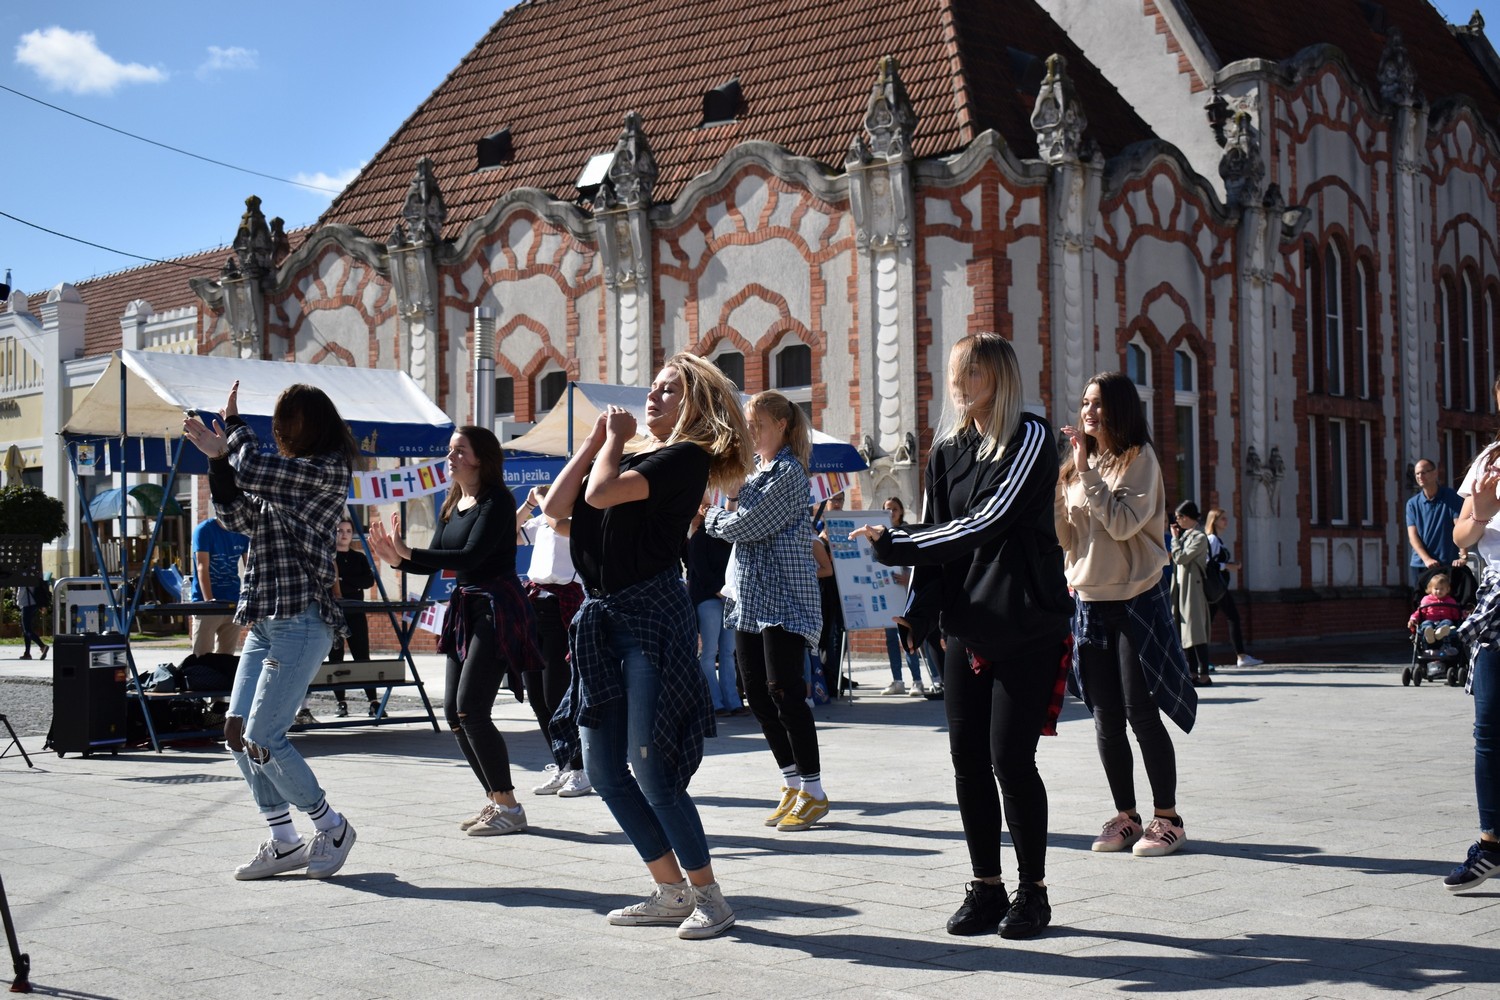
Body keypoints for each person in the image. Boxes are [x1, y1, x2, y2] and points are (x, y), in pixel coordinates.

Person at [856, 332, 1072, 941]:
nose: (959, 382)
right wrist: (919, 612)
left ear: (998, 378)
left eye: (972, 372)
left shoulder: (1032, 437)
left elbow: (985, 522)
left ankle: (1033, 892)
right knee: (967, 762)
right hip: (968, 626)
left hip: (1027, 622)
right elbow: (940, 534)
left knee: (1011, 758)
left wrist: (894, 543)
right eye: (956, 371)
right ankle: (985, 886)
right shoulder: (946, 448)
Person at [542, 353, 751, 939]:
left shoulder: (685, 458)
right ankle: (669, 890)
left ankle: (710, 896)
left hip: (649, 619)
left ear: (696, 406)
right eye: (652, 389)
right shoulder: (632, 457)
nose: (651, 398)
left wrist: (611, 447)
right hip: (603, 621)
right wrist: (592, 441)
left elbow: (602, 494)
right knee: (604, 769)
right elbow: (557, 510)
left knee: (651, 766)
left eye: (667, 391)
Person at [182, 380, 360, 881]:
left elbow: (256, 468)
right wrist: (218, 461)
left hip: (301, 623)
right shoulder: (284, 481)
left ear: (313, 423)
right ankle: (283, 840)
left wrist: (234, 433)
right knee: (238, 734)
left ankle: (333, 826)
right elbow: (235, 514)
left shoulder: (326, 471)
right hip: (263, 622)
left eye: (288, 419)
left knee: (265, 735)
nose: (279, 429)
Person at [368, 426, 544, 837]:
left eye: (458, 450)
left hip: (497, 607)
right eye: (449, 450)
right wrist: (395, 559)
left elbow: (471, 555)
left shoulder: (497, 500)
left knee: (471, 709)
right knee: (454, 714)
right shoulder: (452, 503)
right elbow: (437, 559)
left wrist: (406, 551)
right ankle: (495, 800)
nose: (450, 457)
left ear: (480, 457)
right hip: (466, 608)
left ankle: (510, 806)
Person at [1056, 370, 1197, 866]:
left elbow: (1119, 523)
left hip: (1136, 597)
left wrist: (1085, 472)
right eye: (1085, 403)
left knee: (1141, 712)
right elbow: (1069, 536)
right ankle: (1126, 815)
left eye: (1098, 404)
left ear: (1119, 409)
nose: (1088, 412)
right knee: (1105, 718)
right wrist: (1059, 492)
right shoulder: (1077, 465)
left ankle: (1168, 818)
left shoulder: (1141, 460)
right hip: (1090, 600)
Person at [703, 390, 828, 832]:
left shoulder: (790, 473)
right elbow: (736, 514)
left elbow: (745, 525)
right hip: (748, 598)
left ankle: (813, 790)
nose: (750, 431)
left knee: (784, 690)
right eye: (748, 423)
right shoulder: (756, 470)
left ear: (783, 426)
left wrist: (713, 518)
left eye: (756, 423)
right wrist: (725, 511)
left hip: (784, 597)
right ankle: (792, 782)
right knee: (755, 692)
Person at [1448, 380, 1500, 892]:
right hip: (1496, 605)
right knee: (1488, 728)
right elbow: (1461, 536)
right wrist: (1482, 509)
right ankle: (1491, 843)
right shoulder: (1489, 459)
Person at [515, 484, 592, 798]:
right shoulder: (542, 520)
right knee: (536, 695)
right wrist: (528, 502)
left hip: (564, 608)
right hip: (535, 604)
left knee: (556, 694)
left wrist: (545, 501)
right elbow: (510, 532)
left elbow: (558, 522)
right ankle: (562, 765)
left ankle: (580, 768)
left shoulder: (577, 519)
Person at [684, 505, 745, 717]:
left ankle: (733, 701)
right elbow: (700, 571)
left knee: (728, 652)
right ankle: (714, 701)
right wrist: (721, 591)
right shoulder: (699, 538)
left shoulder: (727, 539)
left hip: (725, 597)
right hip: (708, 598)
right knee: (710, 652)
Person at [879, 496, 941, 696]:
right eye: (887, 509)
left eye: (894, 508)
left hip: (908, 598)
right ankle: (898, 679)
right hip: (887, 596)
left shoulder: (907, 532)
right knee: (891, 640)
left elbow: (919, 563)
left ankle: (920, 680)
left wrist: (908, 577)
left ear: (901, 511)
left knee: (912, 639)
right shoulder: (881, 535)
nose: (891, 512)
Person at [329, 517, 379, 718]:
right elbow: (327, 581)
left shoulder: (358, 558)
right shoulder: (329, 557)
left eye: (348, 531)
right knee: (336, 656)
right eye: (340, 530)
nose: (344, 534)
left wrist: (343, 581)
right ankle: (341, 701)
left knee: (362, 655)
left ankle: (373, 701)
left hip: (356, 611)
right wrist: (347, 584)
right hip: (335, 612)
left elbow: (368, 580)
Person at [1202, 508, 1262, 668]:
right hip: (1217, 588)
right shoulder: (1213, 539)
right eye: (1222, 519)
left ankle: (1203, 659)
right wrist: (1228, 566)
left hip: (1218, 588)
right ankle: (1241, 656)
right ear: (1214, 521)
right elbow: (1208, 563)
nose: (1226, 521)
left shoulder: (1218, 540)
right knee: (1233, 617)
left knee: (1208, 622)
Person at [189, 516, 249, 656]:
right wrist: (209, 601)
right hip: (206, 603)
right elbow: (202, 566)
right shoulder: (204, 530)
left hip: (232, 601)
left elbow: (250, 568)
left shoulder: (243, 533)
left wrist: (248, 598)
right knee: (201, 657)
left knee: (226, 657)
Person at [1170, 500, 1214, 687]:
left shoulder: (1199, 537)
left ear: (1187, 517)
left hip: (1193, 589)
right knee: (1185, 631)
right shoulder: (1186, 535)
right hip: (1181, 588)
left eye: (1178, 517)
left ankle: (1204, 674)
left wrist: (1174, 539)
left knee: (1195, 632)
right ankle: (1192, 672)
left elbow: (1181, 557)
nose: (1177, 521)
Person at [1408, 458, 1464, 589]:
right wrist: (1427, 559)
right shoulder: (1412, 503)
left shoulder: (1451, 497)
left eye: (1424, 472)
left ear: (1435, 473)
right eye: (1417, 474)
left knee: (1450, 605)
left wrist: (1463, 555)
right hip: (1421, 564)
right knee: (1424, 606)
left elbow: (1460, 527)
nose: (1420, 476)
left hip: (1448, 562)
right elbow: (1413, 536)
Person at [1409, 570, 1463, 645]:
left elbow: (1456, 615)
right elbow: (1419, 612)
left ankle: (1440, 632)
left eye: (1442, 589)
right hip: (1430, 620)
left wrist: (1461, 615)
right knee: (1426, 623)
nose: (1439, 591)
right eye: (1436, 589)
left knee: (1448, 622)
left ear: (1447, 589)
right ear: (1431, 589)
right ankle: (1428, 632)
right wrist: (1413, 619)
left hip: (1444, 621)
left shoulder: (1450, 601)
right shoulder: (1426, 599)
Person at [15, 580, 46, 660]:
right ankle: (27, 653)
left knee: (27, 630)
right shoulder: (33, 578)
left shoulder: (23, 579)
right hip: (34, 604)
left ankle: (42, 646)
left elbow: (21, 592)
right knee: (27, 630)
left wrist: (17, 602)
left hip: (26, 604)